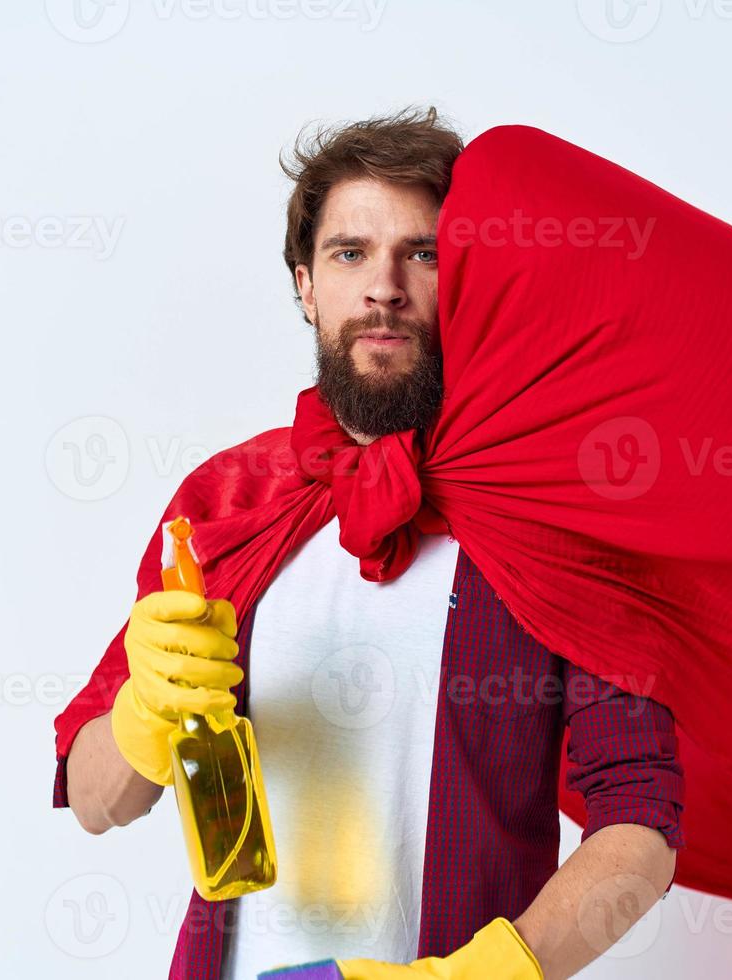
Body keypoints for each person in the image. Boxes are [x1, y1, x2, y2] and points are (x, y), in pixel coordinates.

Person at [53, 107, 686, 980]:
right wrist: (145, 711)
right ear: (307, 286)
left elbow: (641, 825)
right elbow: (96, 802)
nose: (383, 285)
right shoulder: (224, 503)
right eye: (350, 253)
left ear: (467, 281)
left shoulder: (553, 514)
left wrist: (477, 977)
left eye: (422, 254)